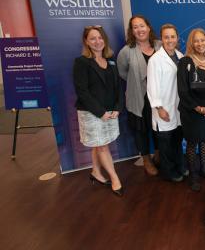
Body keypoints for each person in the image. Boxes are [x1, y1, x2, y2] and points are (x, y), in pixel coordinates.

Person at [73, 25, 124, 196]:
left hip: (110, 111)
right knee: (102, 146)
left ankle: (95, 171)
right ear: (86, 42)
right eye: (93, 38)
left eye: (100, 37)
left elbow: (118, 88)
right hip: (91, 112)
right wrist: (100, 112)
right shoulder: (81, 62)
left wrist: (117, 108)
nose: (97, 41)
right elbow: (82, 91)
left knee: (99, 143)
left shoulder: (111, 61)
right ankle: (115, 178)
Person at [117, 15, 161, 176]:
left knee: (158, 127)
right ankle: (146, 159)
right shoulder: (126, 51)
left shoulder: (160, 45)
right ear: (132, 31)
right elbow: (122, 73)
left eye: (142, 26)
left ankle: (158, 154)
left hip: (159, 97)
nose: (139, 30)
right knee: (141, 130)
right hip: (139, 98)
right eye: (135, 27)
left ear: (148, 27)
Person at [177, 28, 205, 191]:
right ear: (191, 43)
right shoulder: (185, 62)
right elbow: (182, 90)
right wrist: (198, 108)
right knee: (192, 143)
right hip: (192, 111)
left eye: (203, 40)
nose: (200, 43)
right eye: (196, 40)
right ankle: (193, 176)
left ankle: (204, 170)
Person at [147, 23, 186, 182]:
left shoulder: (181, 56)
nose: (170, 40)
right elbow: (152, 86)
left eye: (172, 36)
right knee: (165, 143)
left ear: (177, 38)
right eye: (166, 37)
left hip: (178, 107)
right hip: (163, 107)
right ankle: (169, 171)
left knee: (177, 140)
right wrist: (159, 108)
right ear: (161, 39)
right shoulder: (156, 59)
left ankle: (180, 166)